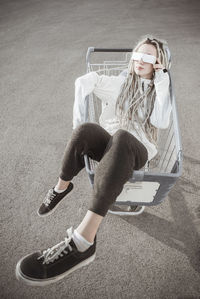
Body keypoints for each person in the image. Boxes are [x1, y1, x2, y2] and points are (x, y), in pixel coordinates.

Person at [15, 34, 172, 286]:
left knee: (122, 136)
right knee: (85, 130)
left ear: (157, 63)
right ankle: (60, 187)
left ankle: (83, 242)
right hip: (112, 144)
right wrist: (77, 121)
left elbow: (162, 121)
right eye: (137, 55)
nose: (139, 60)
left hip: (137, 148)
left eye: (148, 57)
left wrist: (162, 78)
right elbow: (84, 82)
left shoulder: (159, 88)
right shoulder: (121, 83)